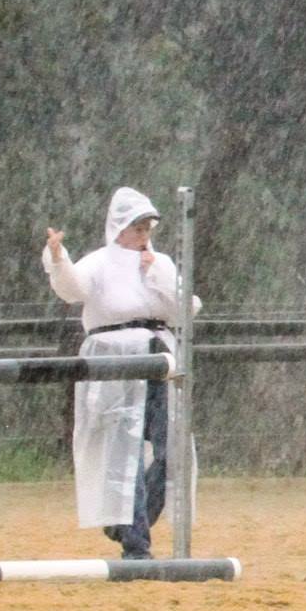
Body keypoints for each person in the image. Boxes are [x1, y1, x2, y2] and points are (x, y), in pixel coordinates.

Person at [42, 187, 199, 560]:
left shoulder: (159, 263)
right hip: (114, 360)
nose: (144, 237)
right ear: (119, 229)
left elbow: (183, 309)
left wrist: (157, 278)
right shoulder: (98, 262)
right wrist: (57, 257)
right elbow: (73, 289)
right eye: (137, 228)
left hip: (158, 357)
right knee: (122, 450)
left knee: (171, 449)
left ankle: (129, 520)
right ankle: (135, 543)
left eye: (147, 229)